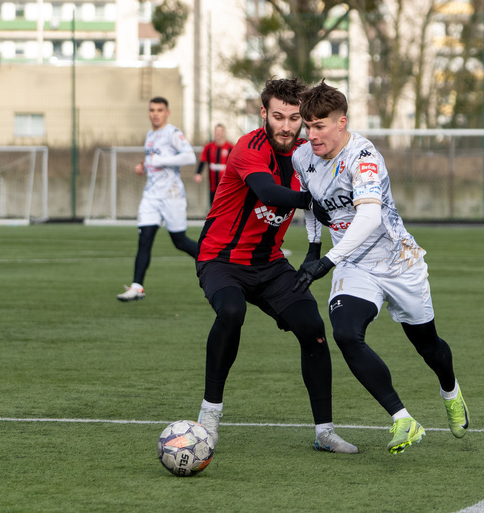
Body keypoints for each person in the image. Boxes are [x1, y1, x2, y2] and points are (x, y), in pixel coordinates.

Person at [291, 81, 469, 455]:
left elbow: (369, 215)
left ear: (342, 122)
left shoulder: (364, 156)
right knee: (345, 334)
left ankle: (450, 391)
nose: (312, 134)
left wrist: (326, 261)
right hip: (354, 266)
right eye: (307, 126)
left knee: (428, 346)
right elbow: (311, 203)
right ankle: (402, 418)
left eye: (319, 125)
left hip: (398, 262)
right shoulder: (302, 157)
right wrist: (313, 246)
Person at [194, 77, 356, 454]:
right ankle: (209, 415)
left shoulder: (306, 153)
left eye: (294, 118)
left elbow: (322, 190)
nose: (286, 126)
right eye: (278, 116)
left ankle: (324, 431)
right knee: (231, 310)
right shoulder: (247, 148)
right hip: (221, 260)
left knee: (313, 327)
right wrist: (308, 201)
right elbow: (268, 192)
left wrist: (316, 247)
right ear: (264, 113)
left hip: (269, 264)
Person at [117, 96, 199, 302]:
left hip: (172, 196)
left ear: (167, 113)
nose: (155, 113)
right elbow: (153, 161)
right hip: (151, 196)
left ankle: (216, 261)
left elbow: (190, 156)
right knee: (144, 239)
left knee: (179, 241)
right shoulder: (149, 135)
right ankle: (137, 287)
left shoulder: (172, 133)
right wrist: (142, 166)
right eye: (152, 110)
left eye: (160, 110)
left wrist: (161, 160)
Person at [194, 123, 234, 208]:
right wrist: (198, 173)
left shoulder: (230, 147)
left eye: (220, 131)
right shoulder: (208, 147)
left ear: (224, 133)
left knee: (225, 205)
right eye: (217, 131)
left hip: (226, 184)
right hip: (212, 183)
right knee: (213, 204)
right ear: (214, 133)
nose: (218, 133)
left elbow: (236, 163)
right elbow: (202, 161)